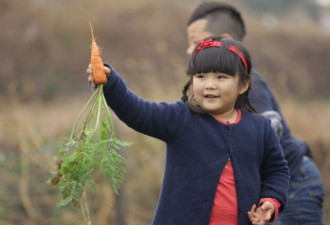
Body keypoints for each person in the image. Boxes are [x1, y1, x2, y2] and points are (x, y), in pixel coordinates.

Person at [87, 36, 290, 225]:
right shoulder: (181, 118)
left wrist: (270, 201)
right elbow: (139, 112)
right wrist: (111, 83)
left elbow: (277, 170)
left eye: (221, 77)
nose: (209, 85)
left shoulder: (260, 128)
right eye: (201, 76)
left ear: (243, 85)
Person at [186, 2, 325, 225]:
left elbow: (269, 128)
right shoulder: (214, 91)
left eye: (195, 42)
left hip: (295, 185)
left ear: (224, 39)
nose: (189, 50)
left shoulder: (246, 85)